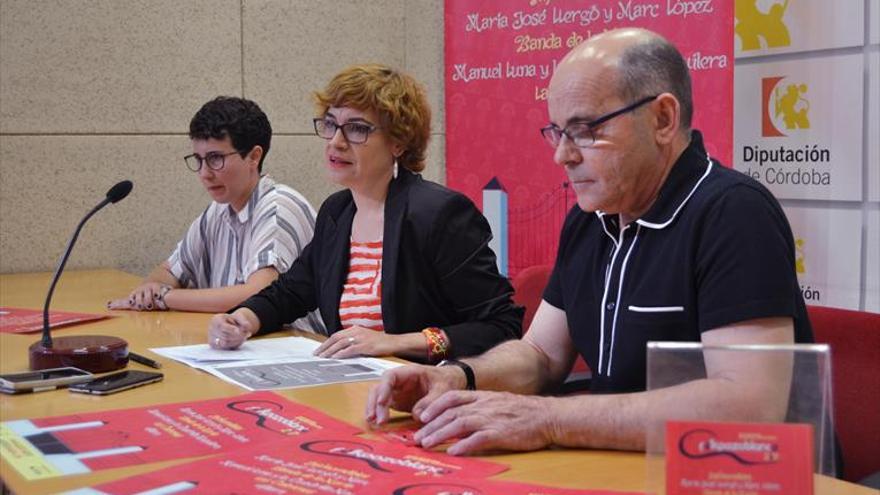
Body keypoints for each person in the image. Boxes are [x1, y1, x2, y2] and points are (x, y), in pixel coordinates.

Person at [365, 28, 813, 455]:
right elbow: (541, 354)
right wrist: (459, 377)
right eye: (558, 132)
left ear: (663, 118)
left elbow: (750, 406)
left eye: (585, 130)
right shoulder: (592, 218)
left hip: (726, 476)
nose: (563, 154)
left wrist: (550, 418)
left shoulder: (733, 213)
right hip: (618, 464)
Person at [207, 64, 522, 363]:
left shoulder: (439, 214)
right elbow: (290, 292)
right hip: (353, 385)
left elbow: (499, 327)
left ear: (398, 142)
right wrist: (242, 320)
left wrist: (394, 342)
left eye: (357, 129)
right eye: (331, 124)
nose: (336, 141)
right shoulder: (337, 212)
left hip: (426, 389)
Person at [108, 96, 323, 331]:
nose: (204, 173)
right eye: (199, 160)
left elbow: (258, 295)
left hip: (294, 347)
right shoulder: (218, 210)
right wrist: (150, 289)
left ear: (254, 156)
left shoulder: (278, 208)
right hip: (244, 342)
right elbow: (168, 272)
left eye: (215, 159)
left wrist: (164, 297)